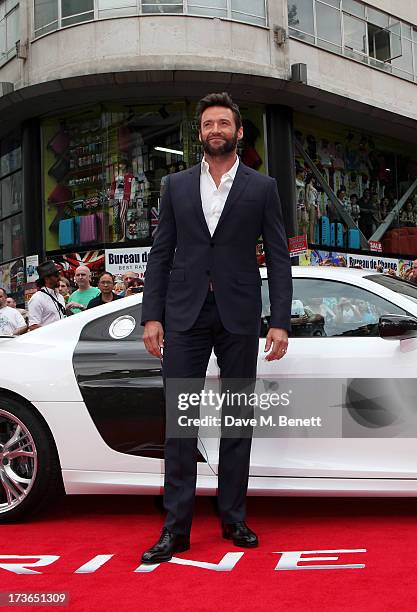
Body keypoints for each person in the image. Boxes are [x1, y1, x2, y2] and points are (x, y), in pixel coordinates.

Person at [140, 92, 292, 564]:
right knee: (181, 425)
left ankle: (233, 517)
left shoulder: (262, 188)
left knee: (237, 421)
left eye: (224, 123)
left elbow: (280, 258)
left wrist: (280, 321)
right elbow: (160, 255)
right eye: (208, 124)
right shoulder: (176, 185)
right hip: (183, 316)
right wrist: (152, 315)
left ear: (238, 131)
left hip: (240, 316)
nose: (216, 130)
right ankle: (176, 529)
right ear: (200, 133)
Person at [28, 261, 66, 331]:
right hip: (48, 340)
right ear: (46, 278)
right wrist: (52, 333)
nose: (59, 278)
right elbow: (33, 326)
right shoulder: (37, 298)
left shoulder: (60, 297)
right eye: (56, 275)